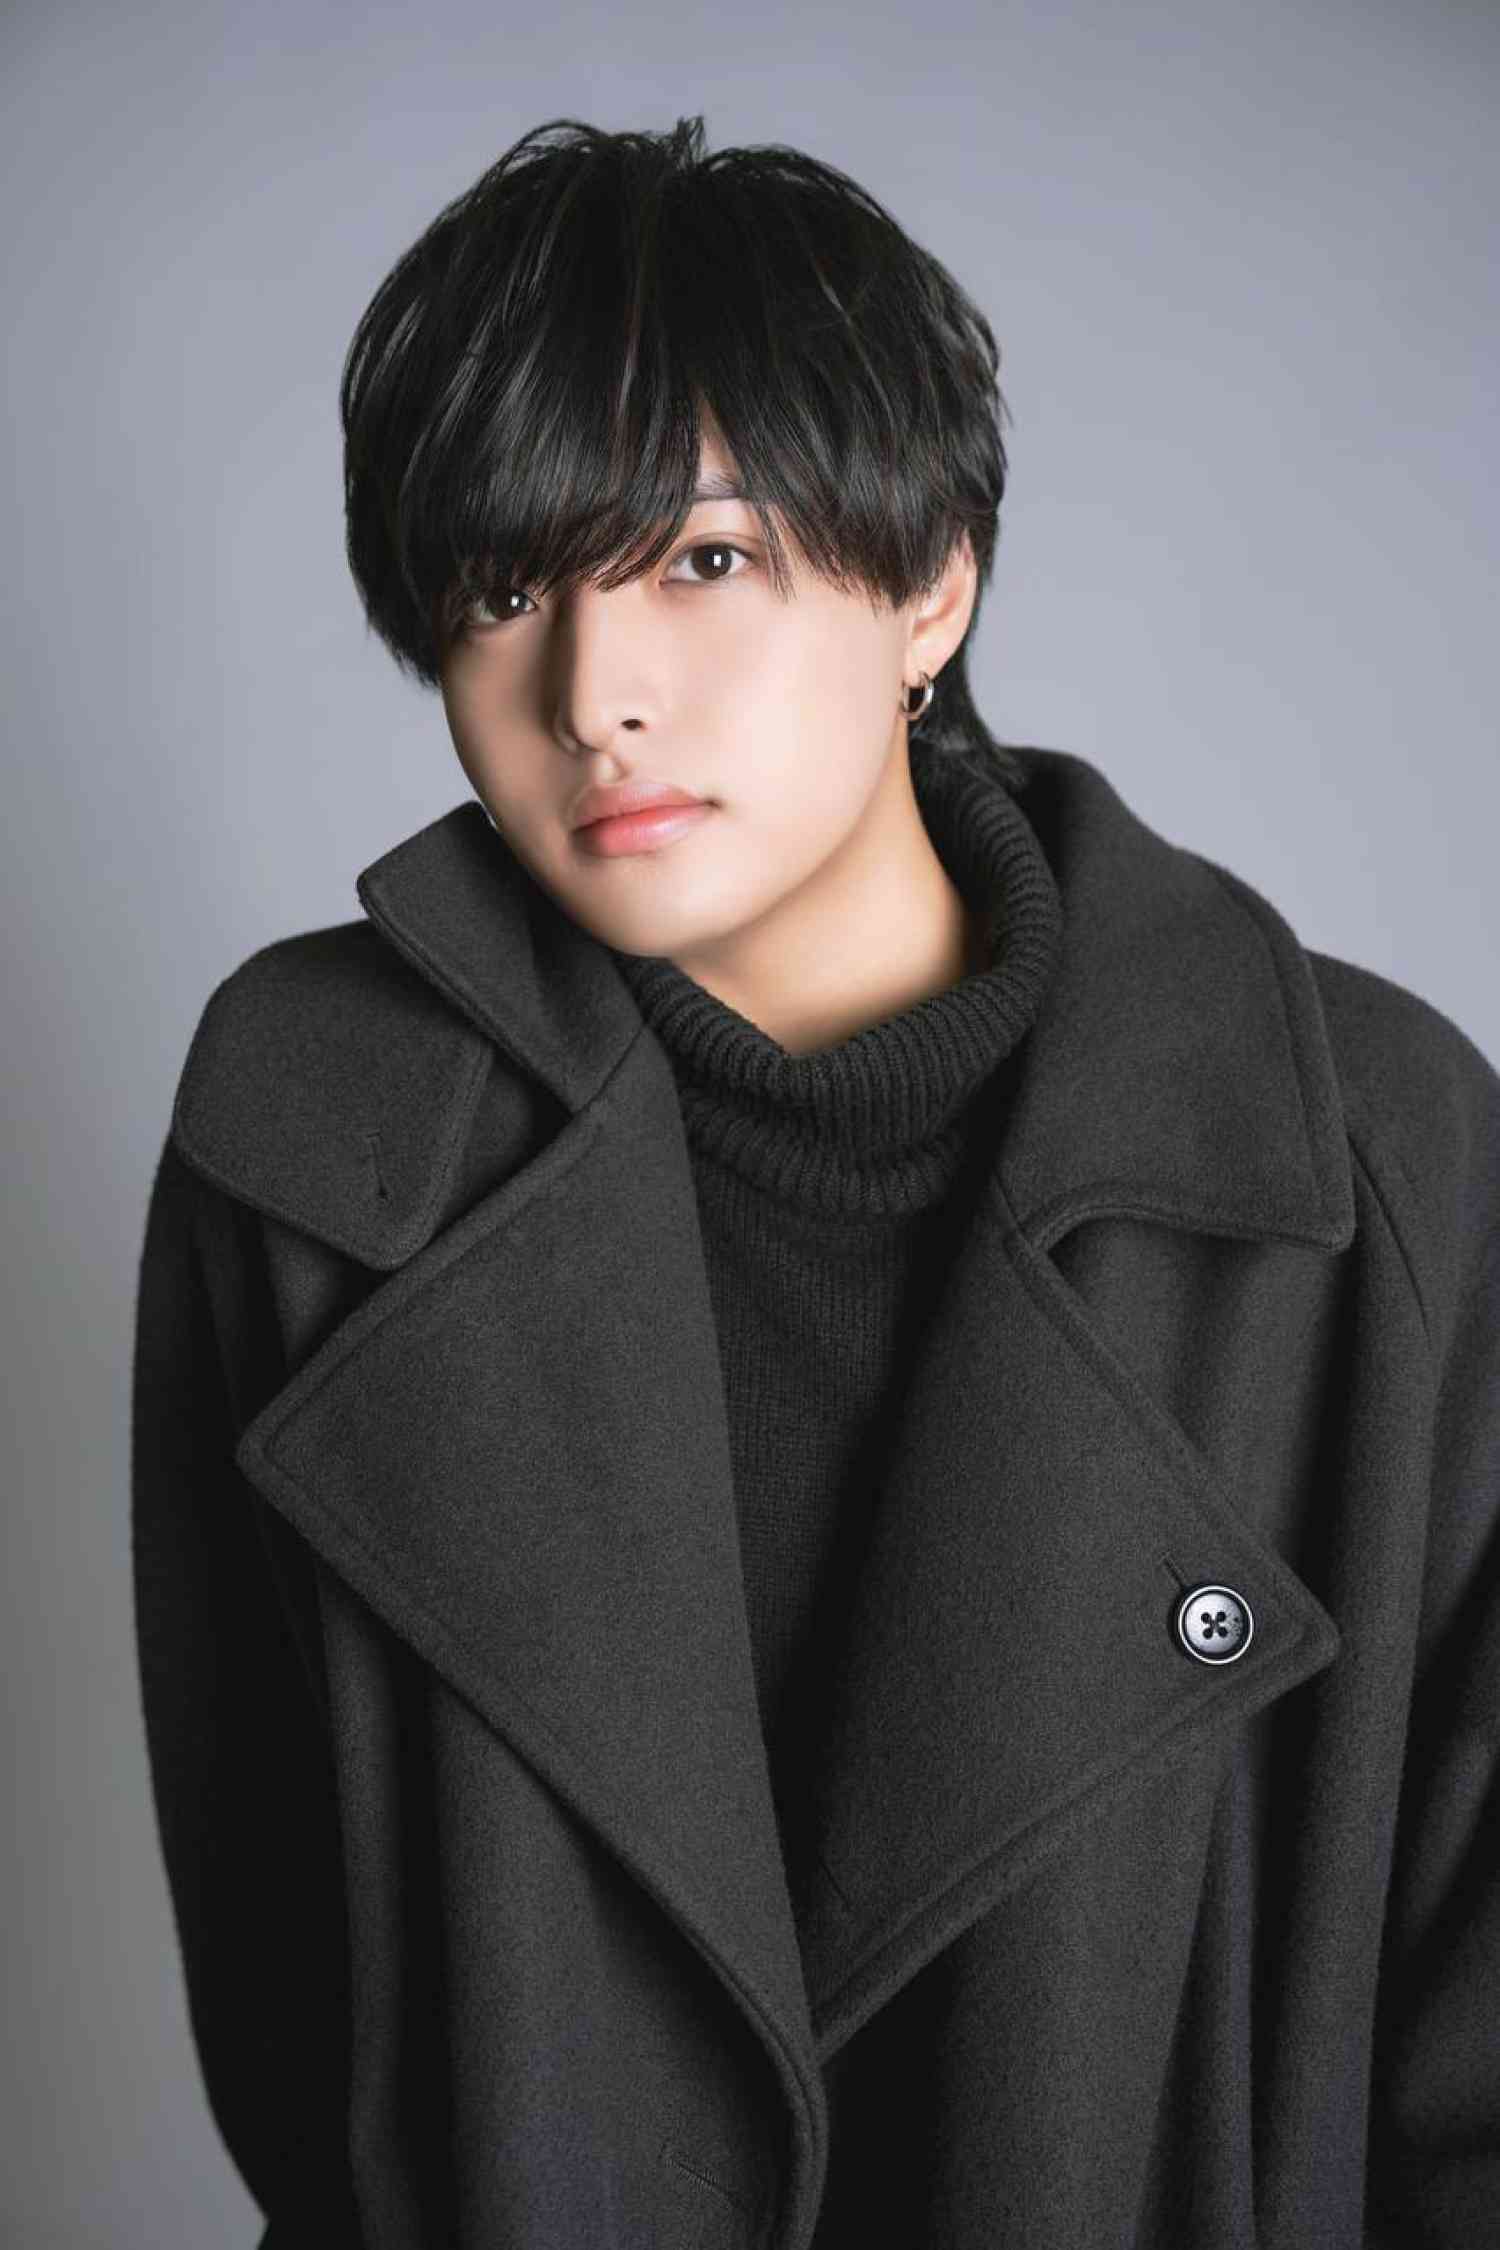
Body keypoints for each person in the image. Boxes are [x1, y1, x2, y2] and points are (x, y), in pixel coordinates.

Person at [131, 115, 1500, 2249]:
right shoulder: (322, 1145)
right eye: (504, 589)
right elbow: (298, 2003)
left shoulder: (1365, 1160)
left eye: (701, 561)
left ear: (931, 581)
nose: (595, 696)